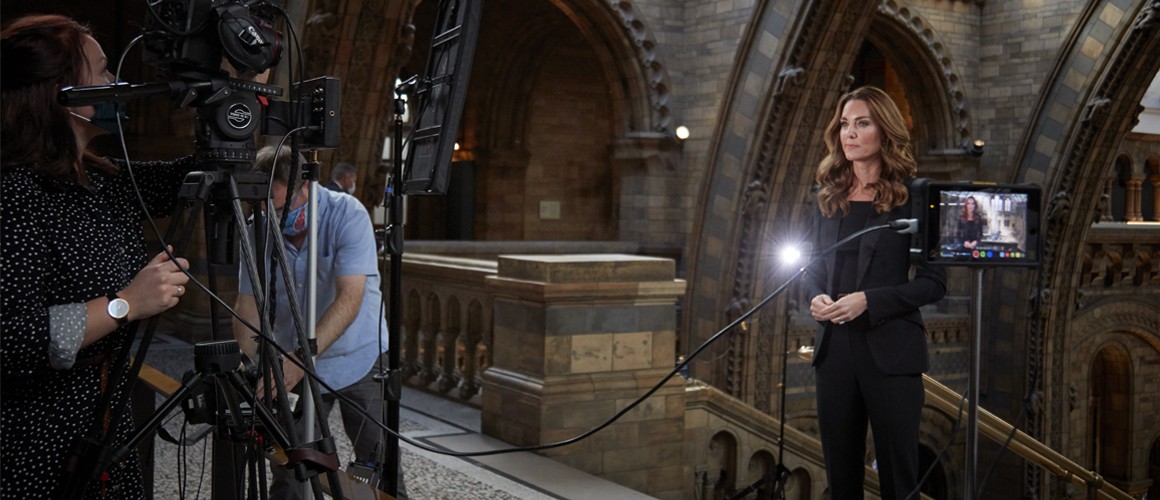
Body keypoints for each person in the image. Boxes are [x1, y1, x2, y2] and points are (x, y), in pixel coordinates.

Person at [1, 15, 193, 499]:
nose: (116, 85)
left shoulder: (101, 180)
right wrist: (125, 303)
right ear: (60, 93)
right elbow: (12, 340)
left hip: (103, 424)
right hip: (36, 440)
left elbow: (194, 176)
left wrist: (239, 89)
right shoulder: (14, 194)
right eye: (105, 72)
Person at [803, 86, 946, 500]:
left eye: (862, 123)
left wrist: (870, 300)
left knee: (898, 483)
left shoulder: (915, 198)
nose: (849, 133)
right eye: (845, 124)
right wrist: (814, 296)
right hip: (834, 353)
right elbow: (811, 269)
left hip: (892, 354)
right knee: (841, 479)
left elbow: (933, 282)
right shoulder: (829, 198)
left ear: (884, 131)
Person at [232, 146, 392, 499]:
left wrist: (299, 360)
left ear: (302, 187)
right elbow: (247, 304)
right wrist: (252, 365)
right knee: (291, 469)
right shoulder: (258, 225)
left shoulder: (347, 214)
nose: (266, 216)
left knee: (378, 466)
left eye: (274, 206)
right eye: (259, 206)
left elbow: (350, 298)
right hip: (291, 359)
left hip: (357, 357)